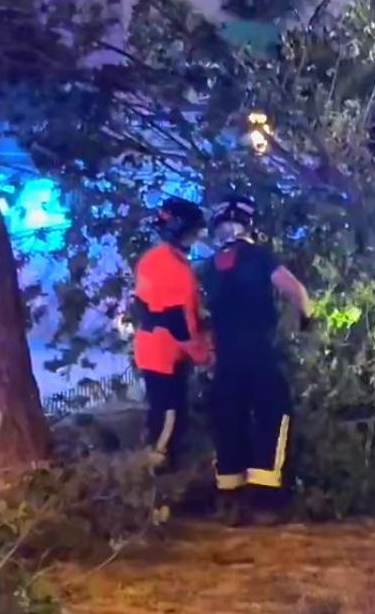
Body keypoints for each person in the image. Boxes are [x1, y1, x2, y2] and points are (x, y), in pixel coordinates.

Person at [200, 194, 312, 524]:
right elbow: (296, 291)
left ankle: (230, 499)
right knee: (272, 416)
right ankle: (267, 501)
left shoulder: (210, 266)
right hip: (260, 353)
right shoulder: (260, 257)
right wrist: (307, 319)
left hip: (226, 358)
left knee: (228, 421)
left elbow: (202, 313)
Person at [131, 198, 211, 470]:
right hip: (166, 353)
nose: (197, 236)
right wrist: (202, 354)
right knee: (169, 415)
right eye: (193, 231)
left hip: (152, 348)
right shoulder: (174, 268)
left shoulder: (154, 259)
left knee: (161, 409)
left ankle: (158, 465)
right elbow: (178, 322)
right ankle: (158, 470)